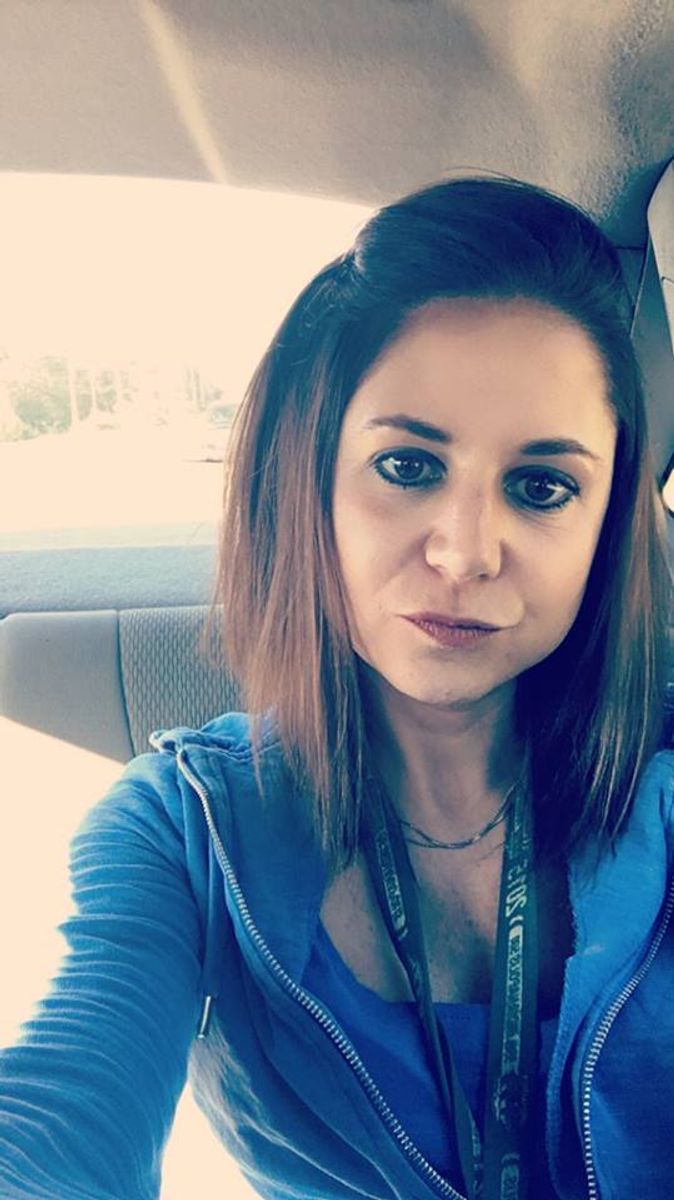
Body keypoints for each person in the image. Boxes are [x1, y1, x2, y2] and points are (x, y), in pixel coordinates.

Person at [0, 175, 672, 1200]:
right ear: (304, 478)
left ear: (605, 526)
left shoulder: (660, 788)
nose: (465, 551)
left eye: (541, 486)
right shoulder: (185, 832)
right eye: (407, 467)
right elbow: (60, 1117)